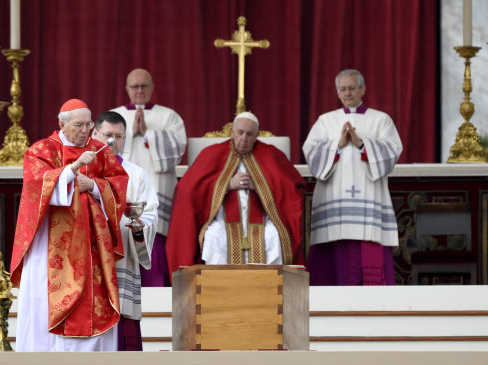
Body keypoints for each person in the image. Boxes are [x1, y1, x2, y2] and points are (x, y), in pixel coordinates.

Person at [10, 99, 129, 351]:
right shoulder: (41, 150)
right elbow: (35, 186)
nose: (85, 130)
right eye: (78, 125)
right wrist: (73, 168)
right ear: (62, 124)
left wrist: (95, 186)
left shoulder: (100, 150)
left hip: (91, 244)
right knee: (44, 299)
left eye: (89, 124)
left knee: (93, 300)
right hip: (50, 243)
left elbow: (118, 183)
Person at [166, 112, 306, 276]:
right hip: (221, 221)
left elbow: (292, 187)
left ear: (257, 135)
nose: (244, 139)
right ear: (232, 131)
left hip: (264, 222)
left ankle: (268, 288)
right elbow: (188, 190)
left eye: (249, 134)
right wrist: (225, 185)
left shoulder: (272, 154)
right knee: (213, 236)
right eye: (240, 133)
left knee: (273, 236)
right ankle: (218, 288)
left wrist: (261, 186)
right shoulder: (212, 153)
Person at [303, 69, 403, 286]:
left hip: (370, 202)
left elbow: (392, 152)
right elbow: (311, 153)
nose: (347, 92)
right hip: (334, 200)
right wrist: (337, 145)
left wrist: (360, 143)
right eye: (343, 89)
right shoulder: (326, 121)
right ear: (337, 92)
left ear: (363, 89)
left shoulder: (381, 120)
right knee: (331, 260)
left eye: (352, 87)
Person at [112, 68, 186, 287]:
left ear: (152, 87)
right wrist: (130, 135)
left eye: (144, 86)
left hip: (156, 189)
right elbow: (103, 150)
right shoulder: (115, 116)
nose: (139, 90)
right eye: (134, 86)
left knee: (155, 237)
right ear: (127, 89)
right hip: (124, 189)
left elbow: (178, 149)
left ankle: (157, 291)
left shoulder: (168, 116)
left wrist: (147, 134)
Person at [92, 111, 159, 351]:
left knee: (123, 334)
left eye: (118, 136)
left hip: (121, 259)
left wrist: (139, 227)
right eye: (107, 135)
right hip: (88, 259)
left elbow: (150, 214)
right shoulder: (81, 169)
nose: (112, 141)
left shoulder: (136, 174)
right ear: (95, 134)